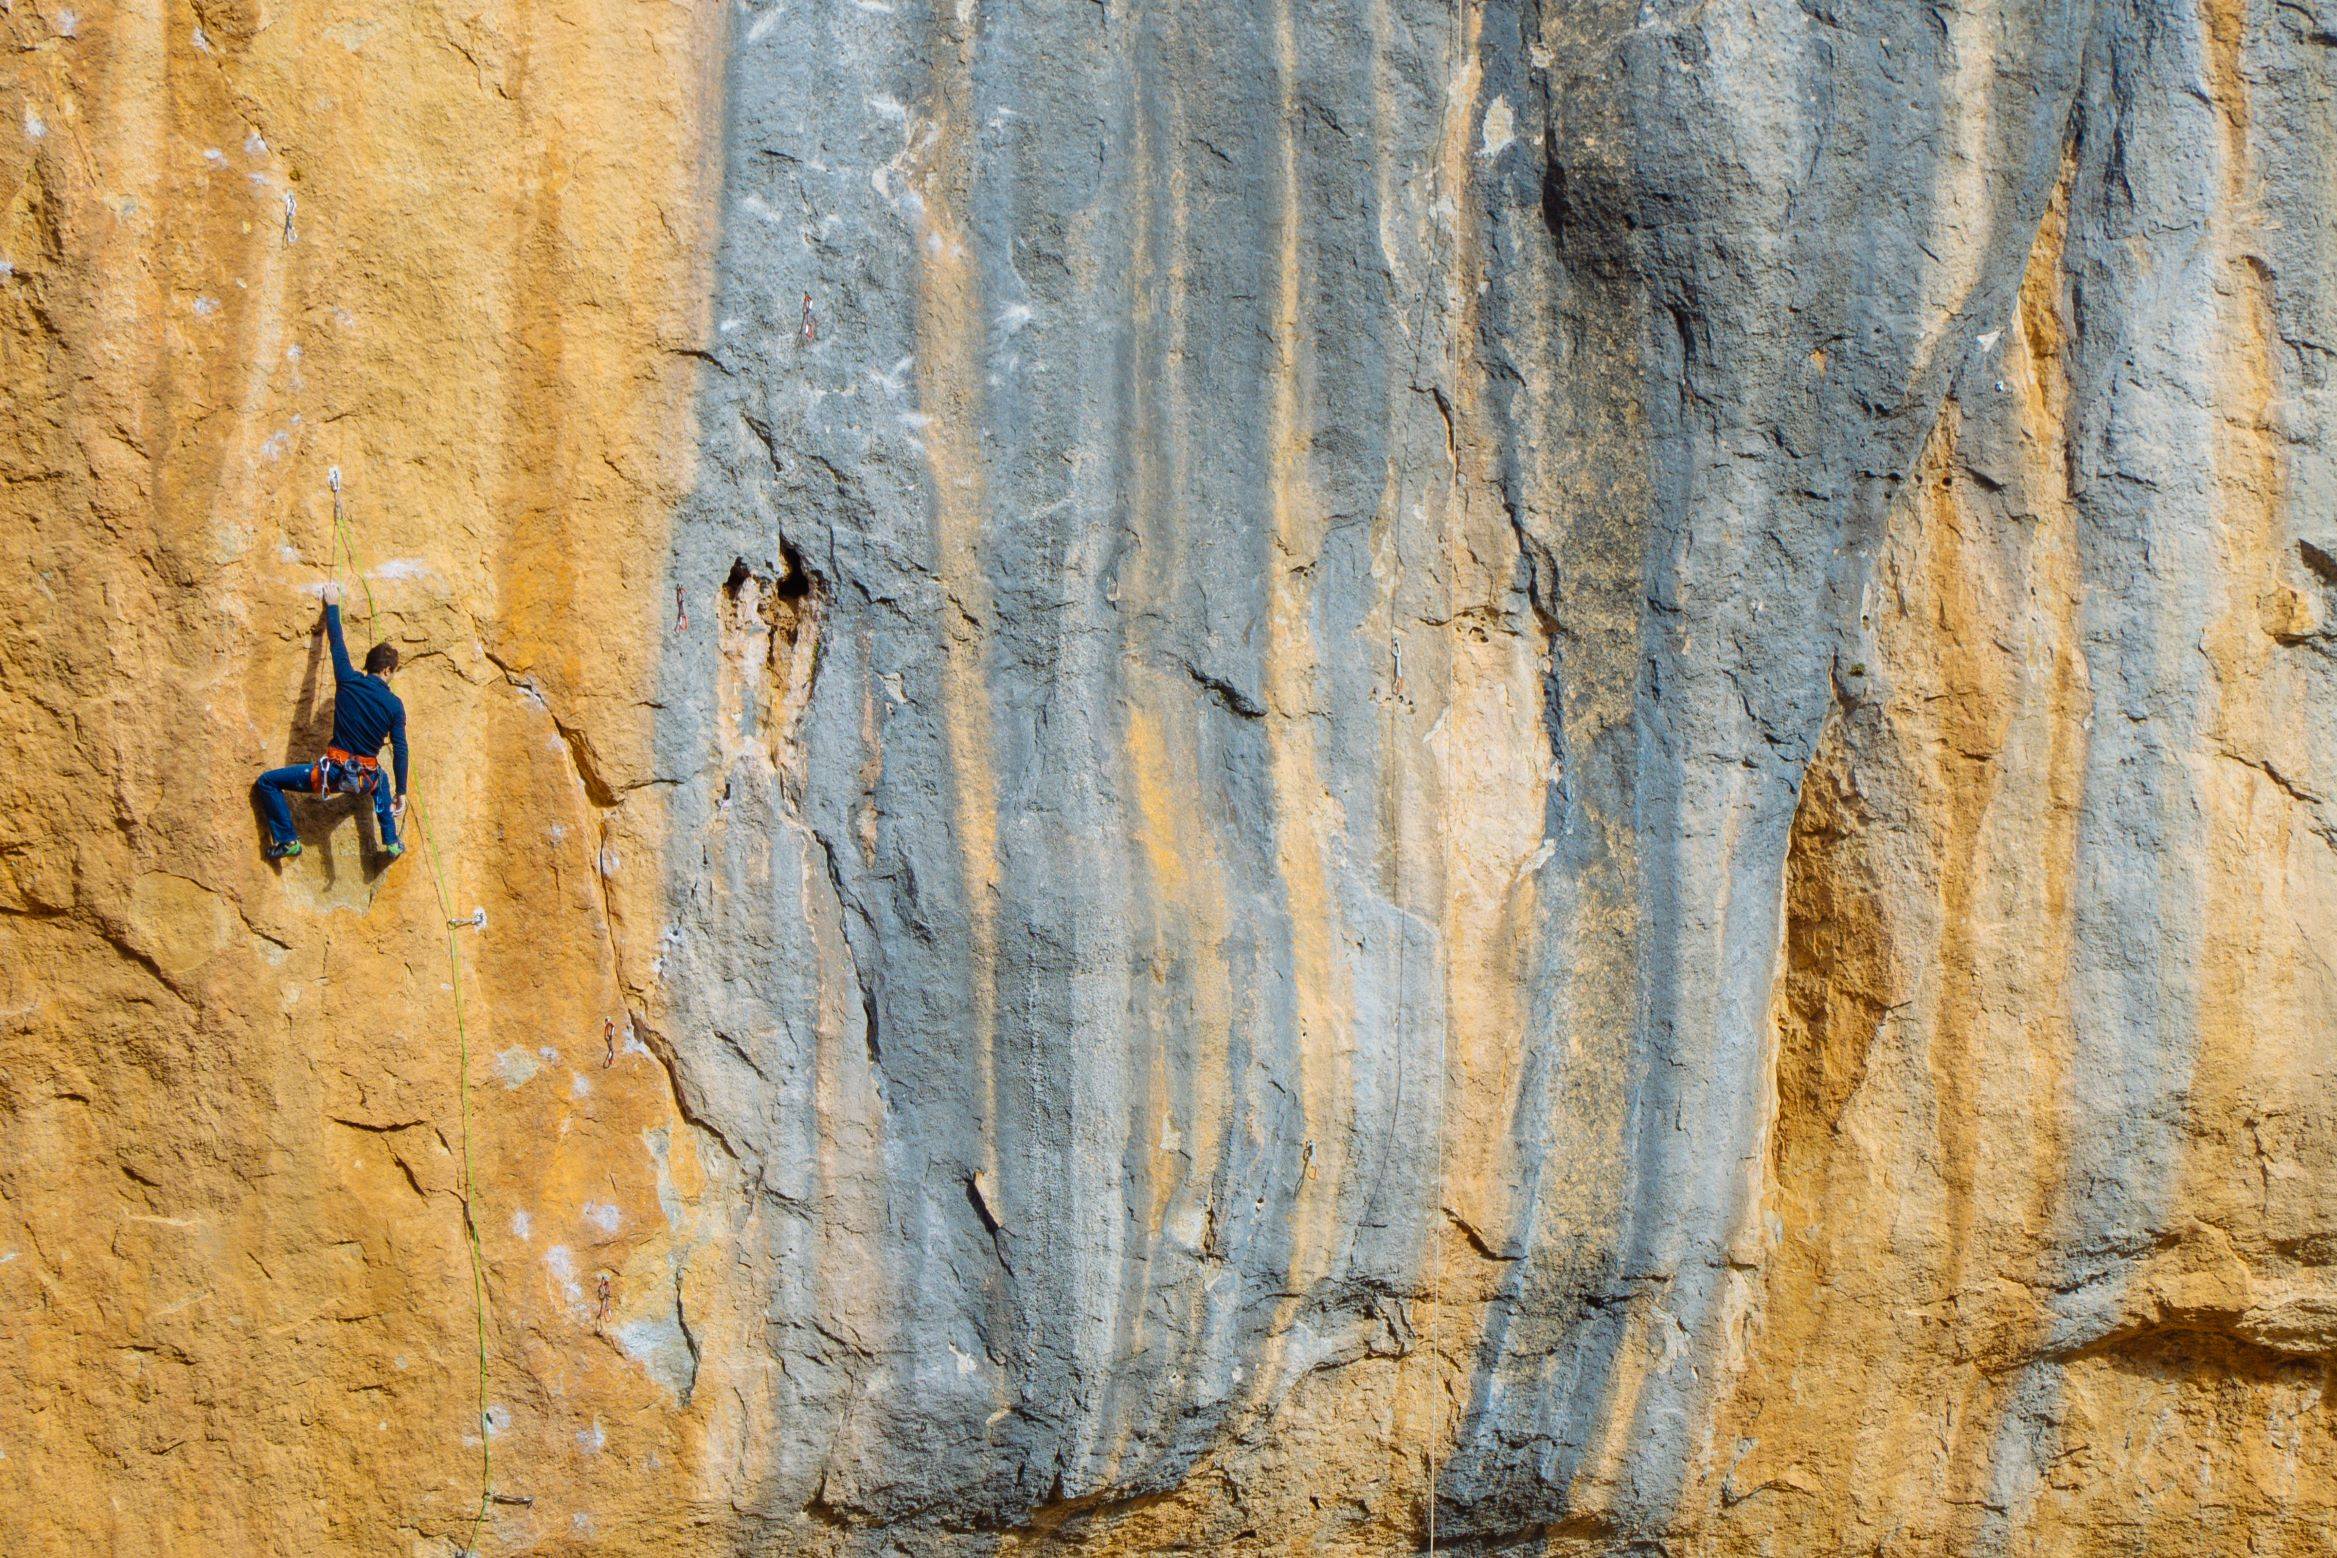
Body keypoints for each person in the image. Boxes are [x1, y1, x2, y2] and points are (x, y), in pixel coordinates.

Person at [256, 582, 410, 861]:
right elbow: (400, 749)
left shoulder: (347, 679)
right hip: (365, 778)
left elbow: (337, 643)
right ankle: (391, 841)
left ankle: (288, 840)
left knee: (267, 782)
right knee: (382, 778)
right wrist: (401, 792)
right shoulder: (394, 705)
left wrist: (333, 604)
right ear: (387, 670)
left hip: (331, 775)